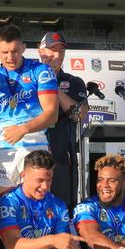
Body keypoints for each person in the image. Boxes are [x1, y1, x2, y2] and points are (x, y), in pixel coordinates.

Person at [0, 24, 59, 197]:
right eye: (5, 52)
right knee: (2, 205)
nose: (10, 57)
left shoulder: (41, 71)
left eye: (15, 51)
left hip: (36, 147)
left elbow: (51, 115)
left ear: (24, 48)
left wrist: (23, 129)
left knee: (36, 203)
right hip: (6, 149)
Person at [38, 31, 87, 211]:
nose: (57, 55)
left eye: (61, 51)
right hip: (29, 154)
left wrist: (51, 84)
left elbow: (79, 114)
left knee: (62, 210)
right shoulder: (27, 78)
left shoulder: (73, 82)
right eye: (52, 49)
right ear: (40, 51)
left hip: (60, 158)